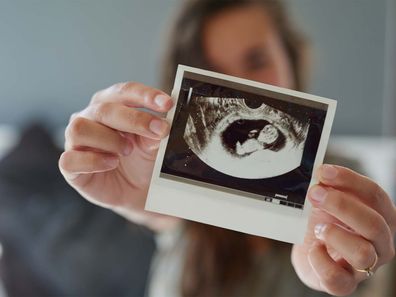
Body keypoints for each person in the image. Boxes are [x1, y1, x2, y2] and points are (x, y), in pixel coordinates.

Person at [58, 0, 396, 296]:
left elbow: (359, 274)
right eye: (213, 73)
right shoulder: (181, 181)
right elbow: (163, 215)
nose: (241, 91)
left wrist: (349, 270)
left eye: (257, 61)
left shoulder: (342, 184)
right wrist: (138, 196)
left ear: (291, 59)